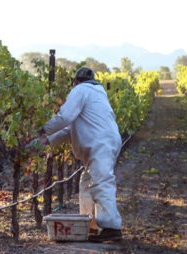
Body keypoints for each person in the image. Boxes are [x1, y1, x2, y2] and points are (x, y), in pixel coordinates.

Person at [30, 66, 123, 242]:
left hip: (100, 143)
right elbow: (68, 129)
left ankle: (111, 228)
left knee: (101, 182)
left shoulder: (81, 90)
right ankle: (90, 225)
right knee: (87, 182)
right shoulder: (96, 93)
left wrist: (42, 131)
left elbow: (64, 117)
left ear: (76, 81)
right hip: (104, 142)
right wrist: (47, 141)